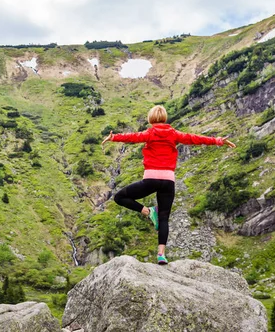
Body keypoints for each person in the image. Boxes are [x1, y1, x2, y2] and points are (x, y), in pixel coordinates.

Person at [101, 105, 236, 265]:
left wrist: (114, 137)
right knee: (164, 217)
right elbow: (195, 139)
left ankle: (148, 211)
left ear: (151, 119)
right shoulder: (174, 134)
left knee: (120, 197)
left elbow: (133, 137)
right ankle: (161, 255)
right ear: (165, 118)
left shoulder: (150, 133)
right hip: (168, 181)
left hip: (151, 179)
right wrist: (219, 141)